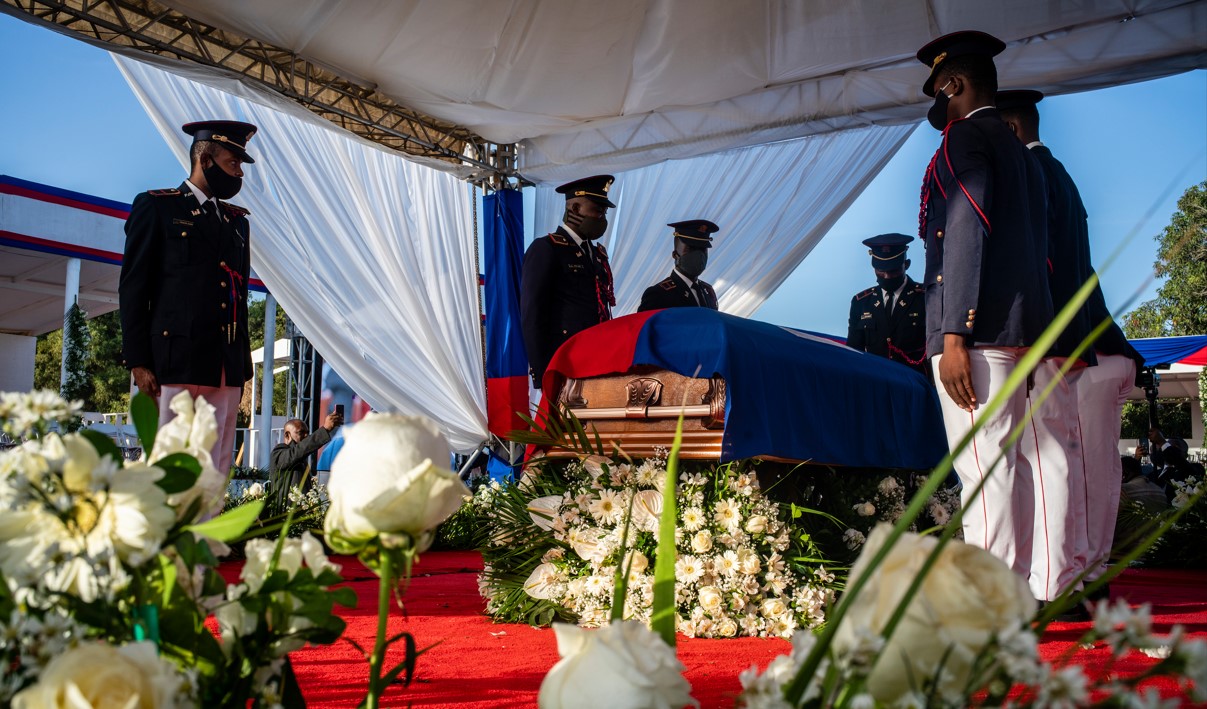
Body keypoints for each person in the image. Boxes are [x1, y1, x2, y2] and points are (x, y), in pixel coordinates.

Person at [916, 31, 1077, 605]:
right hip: (1025, 331)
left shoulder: (965, 136)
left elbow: (965, 228)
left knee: (984, 470)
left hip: (979, 332)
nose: (938, 103)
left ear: (954, 84)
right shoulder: (1021, 152)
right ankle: (1027, 590)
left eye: (939, 90)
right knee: (1020, 465)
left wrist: (954, 333)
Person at [997, 89, 1148, 594]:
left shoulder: (1032, 174)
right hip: (1093, 346)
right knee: (1084, 467)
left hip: (1063, 346)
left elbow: (1039, 269)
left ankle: (1063, 580)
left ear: (1011, 129)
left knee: (1056, 464)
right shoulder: (1060, 173)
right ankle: (1088, 571)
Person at [119, 120, 258, 475]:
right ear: (205, 161)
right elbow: (134, 287)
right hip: (174, 362)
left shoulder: (237, 222)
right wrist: (138, 360)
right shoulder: (157, 207)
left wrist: (241, 365)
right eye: (232, 162)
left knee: (215, 467)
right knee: (170, 464)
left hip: (223, 364)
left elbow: (238, 295)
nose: (239, 172)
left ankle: (209, 518)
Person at [520, 175, 617, 389]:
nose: (602, 218)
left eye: (604, 213)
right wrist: (543, 374)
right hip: (564, 363)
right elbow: (532, 314)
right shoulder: (547, 248)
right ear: (575, 208)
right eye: (597, 211)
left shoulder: (597, 254)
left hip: (596, 360)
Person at [845, 233, 926, 373]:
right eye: (881, 271)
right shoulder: (861, 302)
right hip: (876, 379)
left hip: (915, 379)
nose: (887, 276)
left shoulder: (925, 297)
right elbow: (854, 352)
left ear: (906, 265)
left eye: (893, 271)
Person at [638, 219, 720, 311]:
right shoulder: (658, 294)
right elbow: (645, 321)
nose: (699, 255)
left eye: (703, 249)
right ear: (675, 254)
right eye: (691, 248)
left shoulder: (709, 291)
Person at [270, 409, 344, 492]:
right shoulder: (278, 453)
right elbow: (299, 451)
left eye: (307, 433)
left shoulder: (300, 459)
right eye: (301, 432)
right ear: (287, 435)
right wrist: (325, 429)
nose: (306, 436)